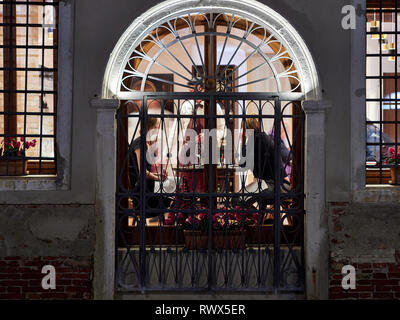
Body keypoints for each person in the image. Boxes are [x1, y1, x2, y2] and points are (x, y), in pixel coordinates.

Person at [129, 117, 169, 220]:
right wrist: (158, 178)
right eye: (156, 126)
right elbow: (142, 172)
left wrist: (157, 175)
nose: (158, 129)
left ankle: (161, 233)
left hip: (146, 191)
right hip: (142, 196)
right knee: (173, 200)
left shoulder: (144, 143)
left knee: (171, 198)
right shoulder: (140, 143)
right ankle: (163, 234)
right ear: (150, 127)